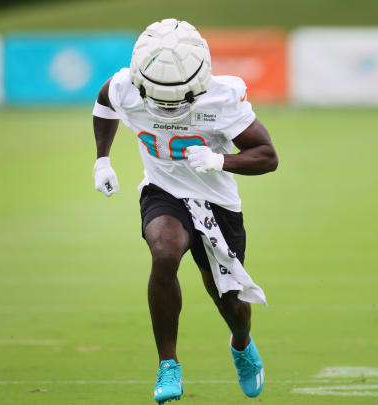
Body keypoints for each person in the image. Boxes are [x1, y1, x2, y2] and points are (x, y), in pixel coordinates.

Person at [91, 19, 278, 403]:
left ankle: (241, 344)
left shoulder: (222, 98)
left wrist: (220, 160)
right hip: (164, 189)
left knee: (230, 303)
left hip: (217, 201)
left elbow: (268, 157)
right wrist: (102, 160)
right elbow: (104, 101)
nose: (167, 108)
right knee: (164, 250)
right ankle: (168, 364)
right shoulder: (125, 85)